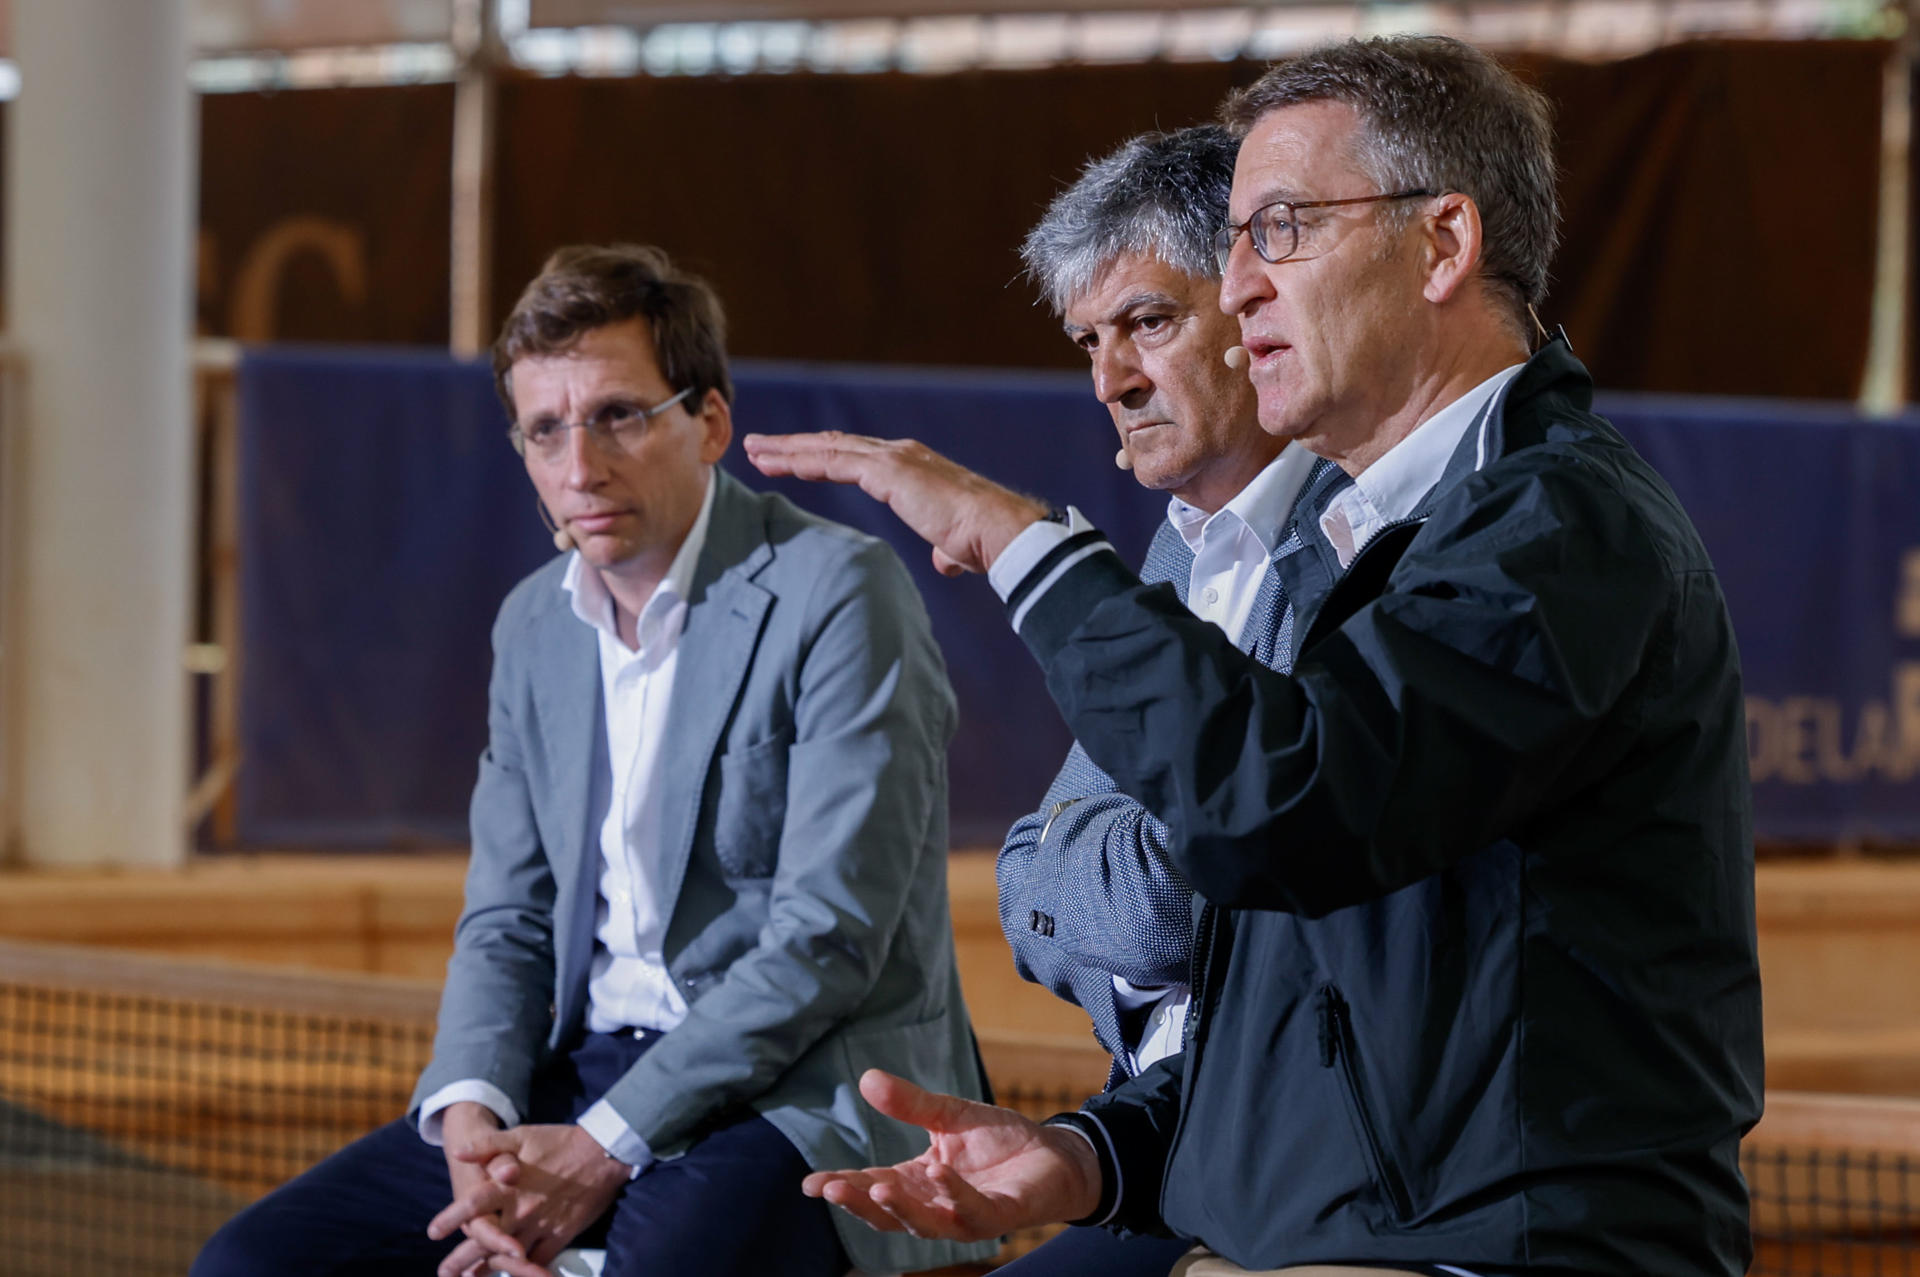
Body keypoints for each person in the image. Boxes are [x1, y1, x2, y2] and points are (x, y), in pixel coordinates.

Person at [747, 35, 1762, 1277]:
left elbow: (1267, 808)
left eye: (1278, 230)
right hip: (1319, 1231)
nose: (1239, 289)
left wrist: (1029, 553)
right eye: (1233, 244)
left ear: (1444, 243)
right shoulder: (1385, 532)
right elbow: (1306, 1011)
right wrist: (1087, 1153)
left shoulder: (1556, 527)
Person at [193, 244, 996, 1277]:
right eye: (545, 428)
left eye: (619, 414)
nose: (580, 466)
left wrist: (603, 1144)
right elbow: (508, 919)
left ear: (708, 421)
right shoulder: (533, 624)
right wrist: (474, 1120)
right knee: (251, 1263)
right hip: (582, 1065)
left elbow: (827, 942)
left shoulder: (839, 592)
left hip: (802, 1082)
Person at [996, 124, 1337, 1277]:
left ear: (1251, 308)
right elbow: (1023, 880)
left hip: (1295, 1161)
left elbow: (1161, 906)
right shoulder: (1171, 559)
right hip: (1154, 1131)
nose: (1111, 380)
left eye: (1148, 321)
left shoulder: (1363, 546)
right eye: (1089, 341)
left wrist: (1097, 865)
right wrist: (1109, 865)